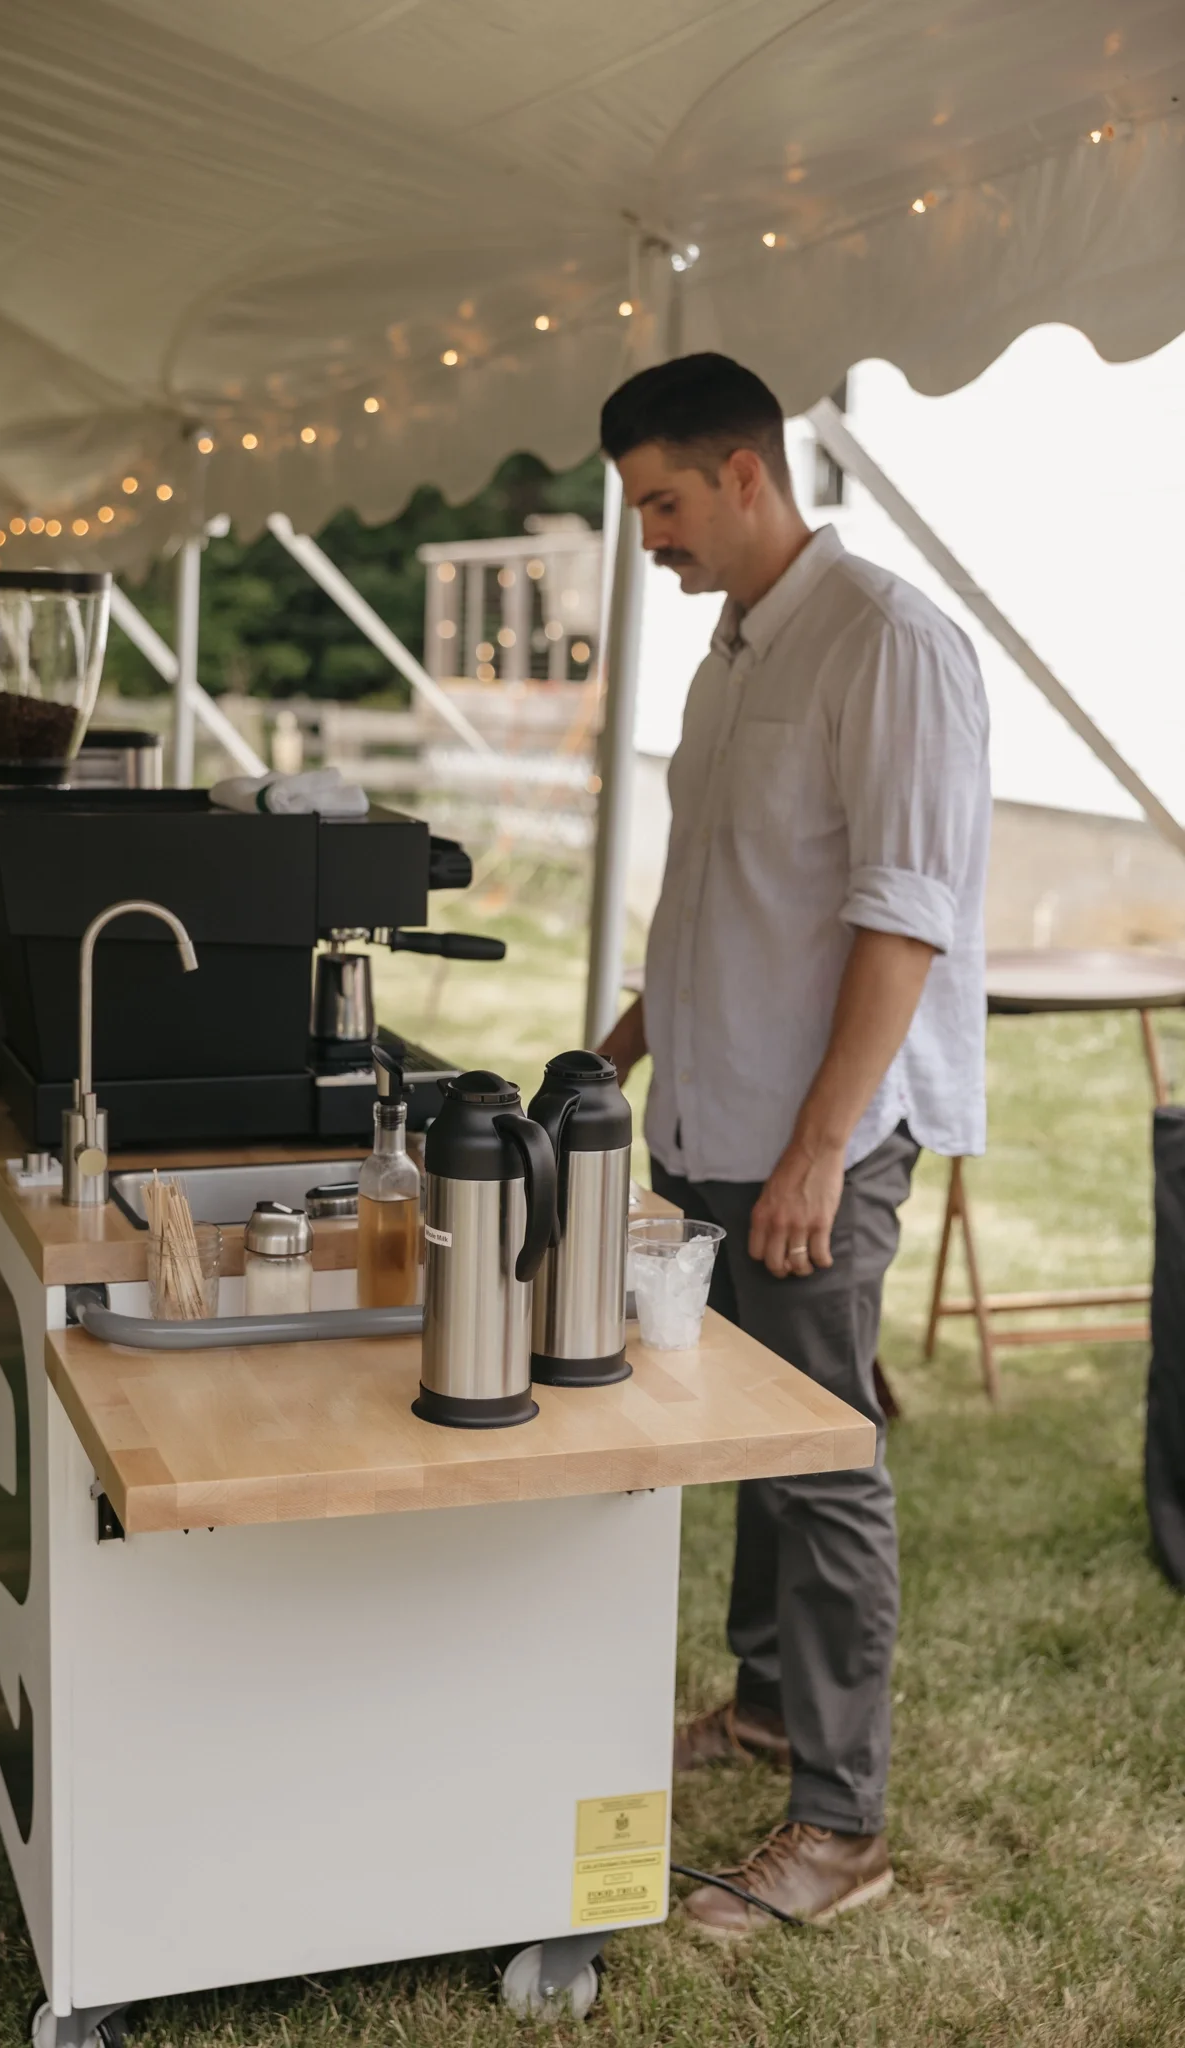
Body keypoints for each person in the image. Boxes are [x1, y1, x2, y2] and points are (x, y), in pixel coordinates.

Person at [596, 353, 990, 1937]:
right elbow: (719, 893)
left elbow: (904, 920)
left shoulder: (889, 644)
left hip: (812, 1142)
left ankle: (840, 1826)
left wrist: (824, 1150)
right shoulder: (730, 649)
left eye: (665, 504)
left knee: (824, 1467)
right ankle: (765, 1709)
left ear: (749, 474)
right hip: (705, 1120)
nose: (653, 540)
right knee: (751, 1439)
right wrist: (615, 1050)